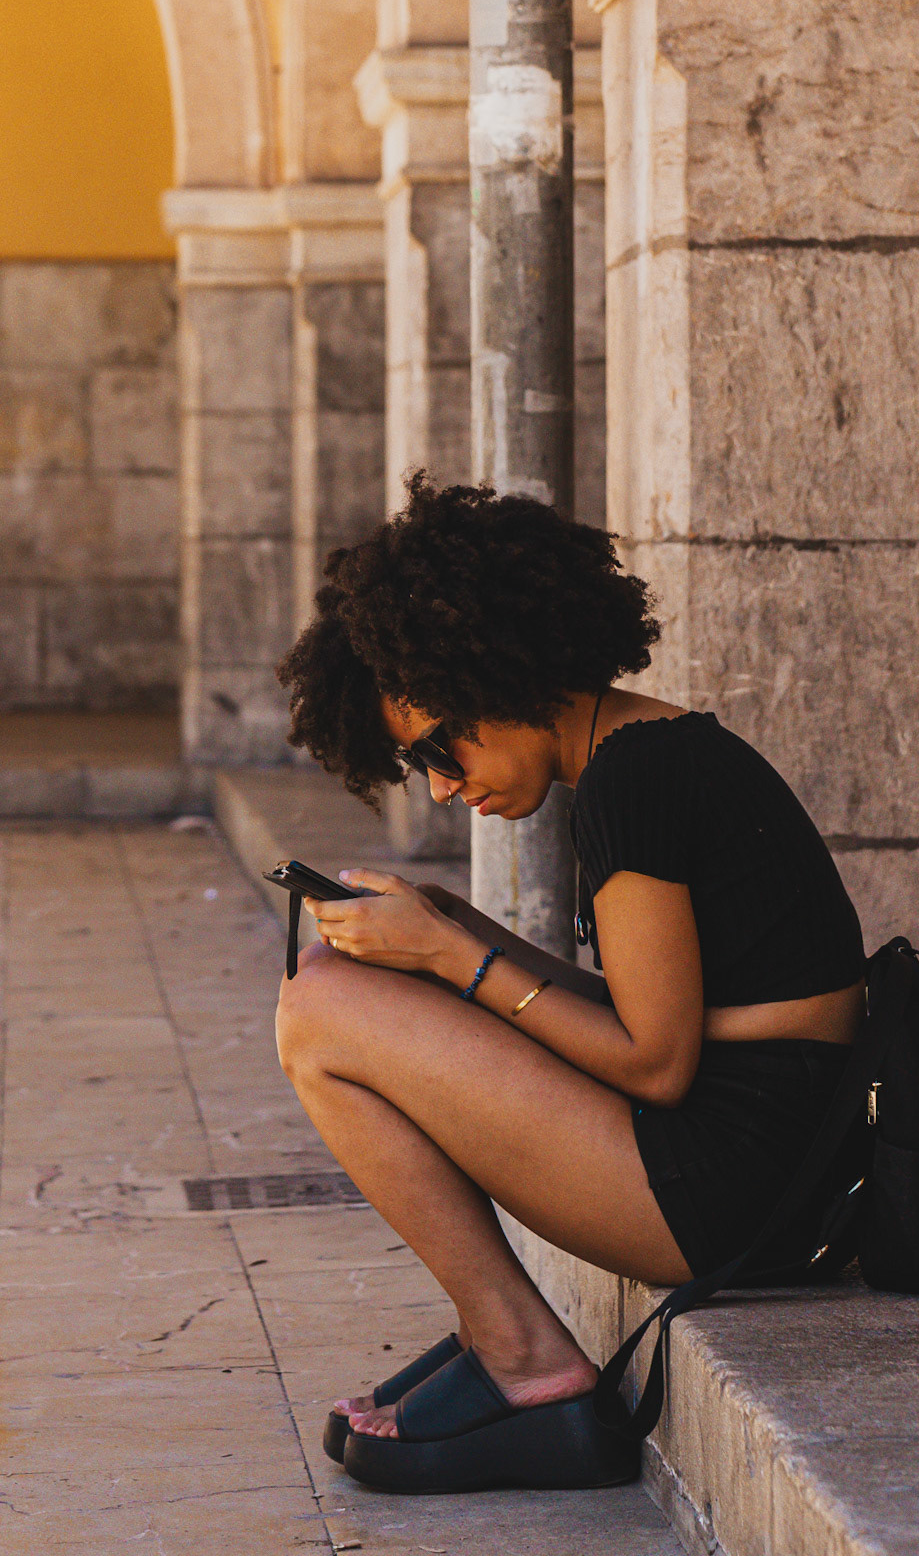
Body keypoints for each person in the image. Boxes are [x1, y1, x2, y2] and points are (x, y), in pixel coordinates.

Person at [274, 474, 866, 1493]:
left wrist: (453, 961)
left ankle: (524, 1358)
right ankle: (493, 1331)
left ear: (501, 671)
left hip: (729, 1190)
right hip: (764, 1168)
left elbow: (657, 1062)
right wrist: (461, 933)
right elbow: (652, 1018)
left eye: (435, 747)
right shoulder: (648, 757)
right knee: (339, 985)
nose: (444, 784)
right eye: (416, 765)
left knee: (319, 1006)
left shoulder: (633, 785)